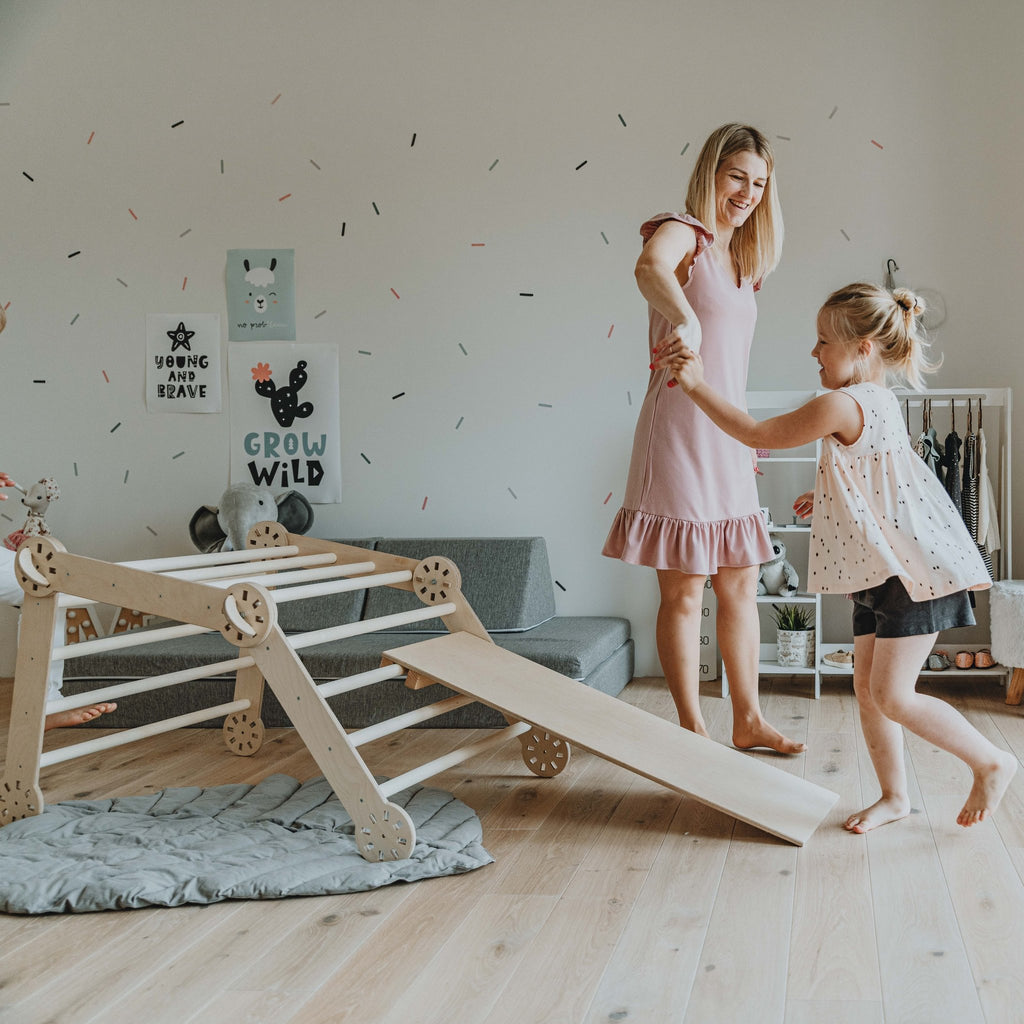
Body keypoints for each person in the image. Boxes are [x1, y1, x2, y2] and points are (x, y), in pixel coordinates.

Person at [670, 282, 1019, 829]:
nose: (814, 353)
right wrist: (828, 492)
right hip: (877, 572)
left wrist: (694, 385)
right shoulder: (877, 401)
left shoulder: (841, 401)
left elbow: (758, 432)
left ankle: (992, 760)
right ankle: (895, 797)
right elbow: (880, 476)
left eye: (823, 342)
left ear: (863, 349)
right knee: (867, 689)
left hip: (909, 574)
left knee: (892, 695)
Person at [602, 123, 803, 754]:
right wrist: (684, 315)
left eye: (760, 182)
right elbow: (648, 267)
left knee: (740, 581)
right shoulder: (682, 232)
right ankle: (692, 729)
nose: (748, 192)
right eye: (737, 176)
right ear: (712, 172)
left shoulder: (746, 261)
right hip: (679, 432)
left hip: (726, 432)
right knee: (685, 588)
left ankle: (747, 720)